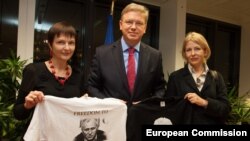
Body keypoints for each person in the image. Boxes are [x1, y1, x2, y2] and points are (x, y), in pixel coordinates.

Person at [87, 3, 166, 141]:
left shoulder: (155, 56)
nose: (134, 27)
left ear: (145, 28)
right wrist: (109, 103)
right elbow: (91, 87)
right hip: (110, 124)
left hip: (142, 123)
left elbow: (160, 88)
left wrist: (147, 103)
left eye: (139, 23)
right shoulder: (102, 53)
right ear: (120, 24)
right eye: (129, 22)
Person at [13, 21, 85, 139]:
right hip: (41, 137)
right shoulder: (34, 70)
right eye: (61, 42)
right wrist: (27, 105)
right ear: (50, 45)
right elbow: (17, 113)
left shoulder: (78, 74)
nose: (67, 48)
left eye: (71, 43)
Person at [165, 32, 231, 124]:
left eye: (197, 49)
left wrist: (204, 102)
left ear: (205, 51)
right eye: (188, 50)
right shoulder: (176, 77)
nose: (192, 53)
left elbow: (226, 109)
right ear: (185, 53)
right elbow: (169, 110)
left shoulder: (216, 77)